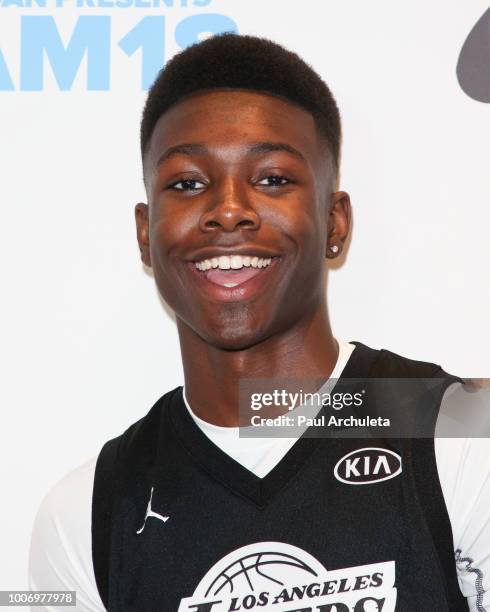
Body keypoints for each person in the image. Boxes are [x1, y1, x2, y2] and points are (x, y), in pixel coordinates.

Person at [28, 33, 489, 611]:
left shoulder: (463, 436)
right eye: (187, 183)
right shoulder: (84, 513)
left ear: (335, 221)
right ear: (146, 234)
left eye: (272, 179)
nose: (227, 209)